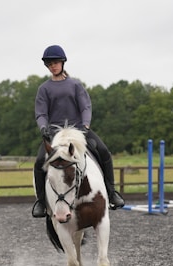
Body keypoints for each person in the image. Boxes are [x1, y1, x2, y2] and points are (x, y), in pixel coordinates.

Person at [32, 44, 125, 218]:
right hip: (54, 133)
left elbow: (85, 107)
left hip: (78, 130)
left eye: (55, 62)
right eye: (49, 64)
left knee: (104, 152)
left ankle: (112, 193)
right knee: (39, 162)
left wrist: (86, 125)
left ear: (63, 62)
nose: (53, 66)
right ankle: (42, 203)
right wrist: (43, 127)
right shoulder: (44, 89)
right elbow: (41, 113)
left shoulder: (75, 85)